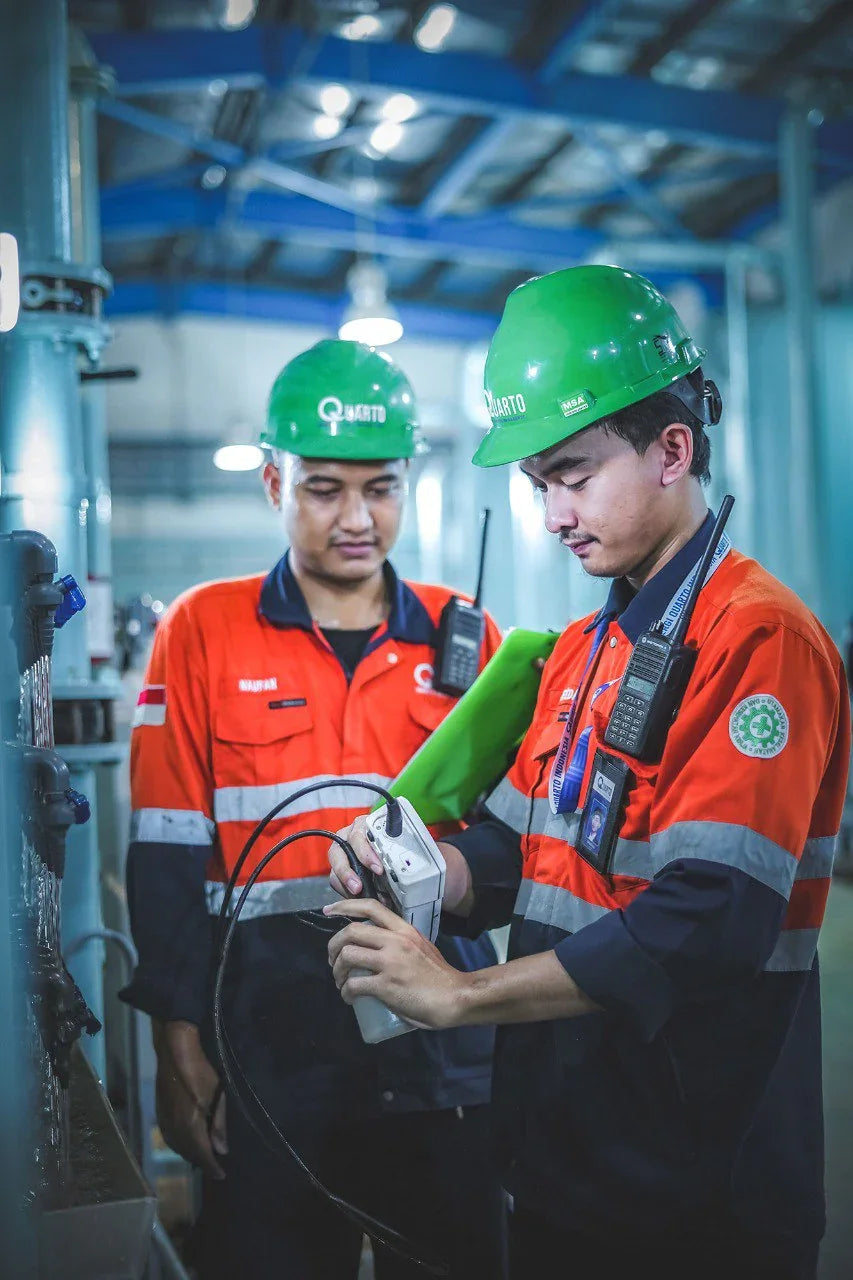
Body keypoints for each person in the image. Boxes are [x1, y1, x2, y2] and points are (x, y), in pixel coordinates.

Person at [327, 266, 851, 1280]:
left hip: (696, 1182)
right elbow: (524, 849)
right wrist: (425, 868)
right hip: (564, 1152)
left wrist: (461, 997)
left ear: (671, 449)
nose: (554, 512)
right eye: (537, 486)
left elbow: (711, 917)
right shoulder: (578, 650)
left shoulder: (759, 639)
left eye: (572, 473)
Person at [120, 338, 508, 1279]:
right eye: (323, 488)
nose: (355, 518)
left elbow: (509, 843)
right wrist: (181, 1047)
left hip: (436, 1051)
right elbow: (166, 853)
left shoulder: (473, 636)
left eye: (379, 488)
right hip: (265, 1048)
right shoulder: (202, 631)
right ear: (271, 483)